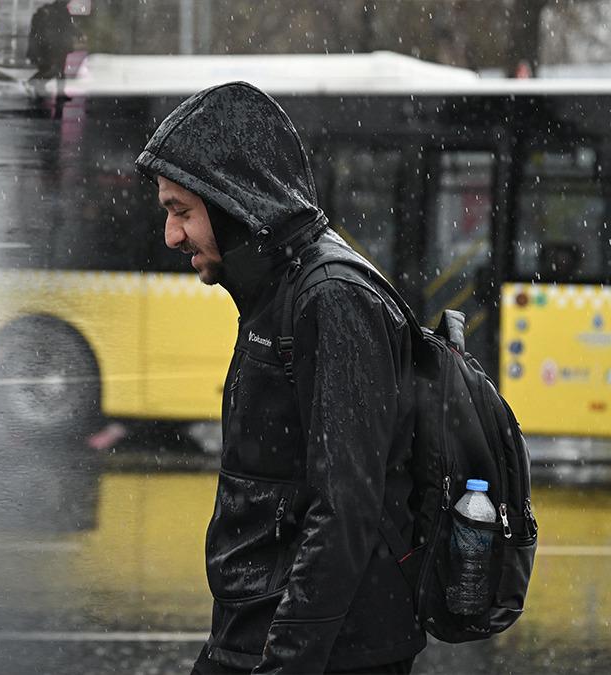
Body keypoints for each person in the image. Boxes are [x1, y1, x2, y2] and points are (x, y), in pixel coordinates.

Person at [135, 82, 425, 674]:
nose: (170, 236)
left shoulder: (331, 298)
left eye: (180, 211)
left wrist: (287, 659)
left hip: (324, 653)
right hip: (255, 634)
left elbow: (344, 510)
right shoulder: (279, 288)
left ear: (233, 200)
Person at [25, 0, 81, 99]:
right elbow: (67, 26)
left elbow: (68, 26)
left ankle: (58, 92)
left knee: (59, 71)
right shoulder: (59, 11)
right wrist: (77, 34)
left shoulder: (58, 10)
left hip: (59, 45)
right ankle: (34, 81)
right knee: (56, 70)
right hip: (58, 45)